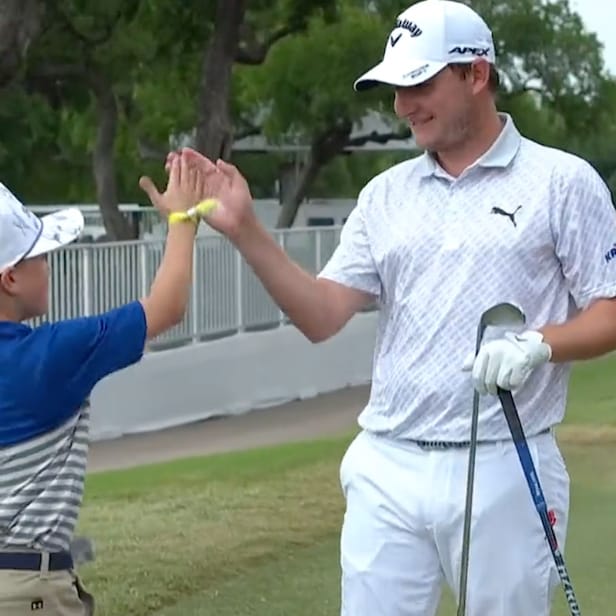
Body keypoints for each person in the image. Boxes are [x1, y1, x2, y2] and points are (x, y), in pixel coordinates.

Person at [167, 1, 616, 614]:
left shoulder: (563, 182)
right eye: (396, 89)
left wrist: (540, 343)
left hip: (506, 465)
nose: (404, 105)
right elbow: (322, 314)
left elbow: (608, 311)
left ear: (476, 75)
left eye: (419, 84)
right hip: (388, 462)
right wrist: (247, 230)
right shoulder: (385, 195)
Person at [0, 150, 211, 615]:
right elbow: (167, 306)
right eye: (39, 256)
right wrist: (183, 218)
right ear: (10, 277)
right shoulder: (51, 355)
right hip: (26, 588)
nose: (49, 264)